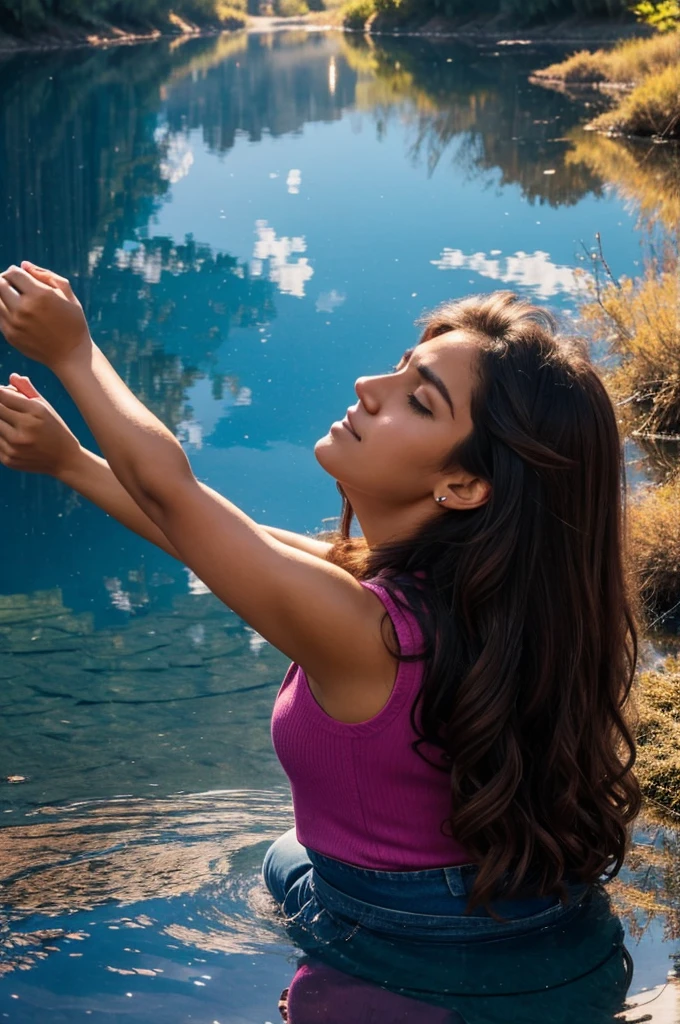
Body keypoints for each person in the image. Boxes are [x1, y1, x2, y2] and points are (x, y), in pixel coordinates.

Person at [0, 262, 640, 949]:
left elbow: (175, 499)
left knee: (286, 865)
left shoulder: (369, 632)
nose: (370, 387)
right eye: (400, 368)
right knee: (285, 856)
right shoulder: (483, 592)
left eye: (419, 401)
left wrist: (75, 353)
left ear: (463, 484)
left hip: (410, 931)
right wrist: (71, 461)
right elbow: (206, 534)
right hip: (528, 897)